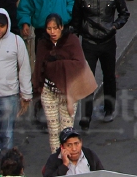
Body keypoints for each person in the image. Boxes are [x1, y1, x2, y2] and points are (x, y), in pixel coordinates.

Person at [70, 0, 128, 130]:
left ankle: (109, 109)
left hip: (108, 42)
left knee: (109, 76)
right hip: (89, 42)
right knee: (88, 79)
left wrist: (115, 26)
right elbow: (76, 19)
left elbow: (124, 13)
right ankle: (86, 116)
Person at [33, 16, 96, 154]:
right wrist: (36, 88)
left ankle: (68, 160)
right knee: (53, 130)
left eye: (55, 28)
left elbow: (79, 63)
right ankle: (56, 161)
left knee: (67, 131)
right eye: (49, 28)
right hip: (49, 92)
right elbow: (39, 66)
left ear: (61, 27)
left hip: (68, 92)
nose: (52, 32)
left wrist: (55, 64)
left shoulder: (71, 40)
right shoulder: (43, 43)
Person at [0, 9, 31, 163]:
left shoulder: (16, 41)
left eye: (1, 26)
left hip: (8, 96)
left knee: (7, 134)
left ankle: (6, 167)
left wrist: (26, 95)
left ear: (7, 26)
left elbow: (24, 68)